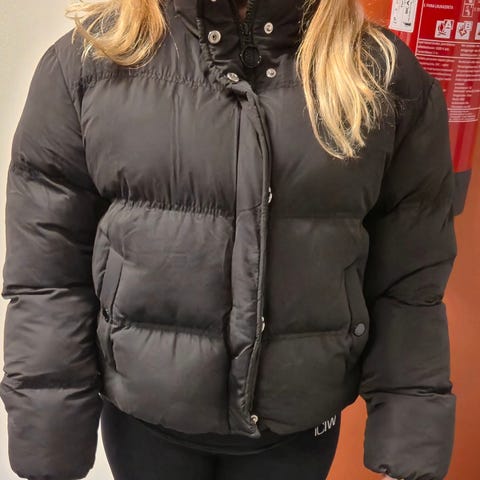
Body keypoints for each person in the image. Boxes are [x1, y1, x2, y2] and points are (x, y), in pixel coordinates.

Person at [0, 0, 458, 479]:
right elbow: (48, 273)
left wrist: (410, 442)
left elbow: (409, 283)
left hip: (296, 432)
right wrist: (49, 442)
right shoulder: (91, 60)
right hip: (146, 429)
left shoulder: (382, 76)